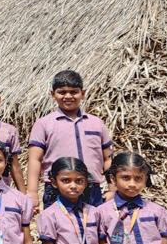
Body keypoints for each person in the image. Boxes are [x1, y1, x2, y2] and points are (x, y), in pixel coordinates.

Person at [26, 70, 113, 214]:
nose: (68, 96)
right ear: (53, 95)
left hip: (92, 189)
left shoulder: (96, 123)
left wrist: (113, 190)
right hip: (57, 189)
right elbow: (35, 159)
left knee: (93, 231)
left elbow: (108, 159)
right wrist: (32, 192)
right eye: (62, 92)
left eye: (73, 92)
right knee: (59, 231)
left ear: (83, 93)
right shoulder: (44, 124)